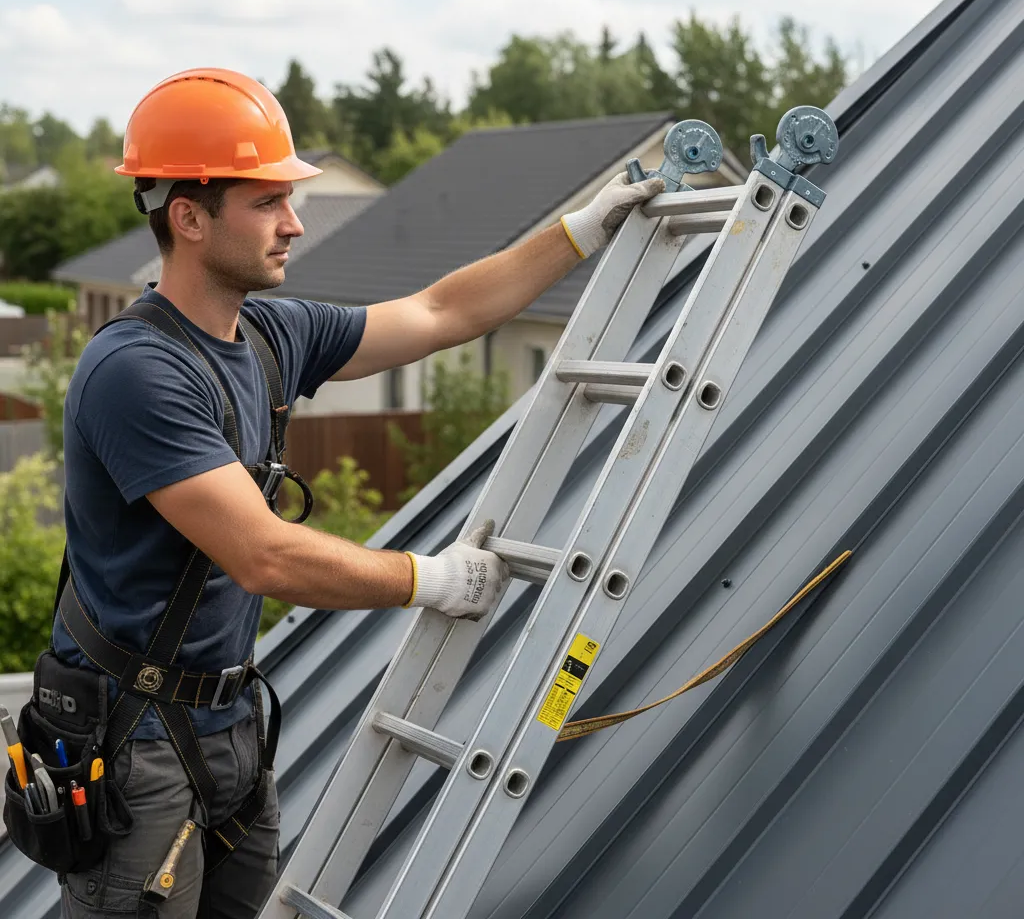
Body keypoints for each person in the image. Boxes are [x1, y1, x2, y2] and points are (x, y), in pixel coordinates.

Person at [50, 67, 664, 919]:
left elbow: (441, 312)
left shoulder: (269, 333)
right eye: (266, 202)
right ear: (188, 217)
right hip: (138, 747)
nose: (294, 223)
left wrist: (582, 231)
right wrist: (432, 580)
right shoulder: (136, 373)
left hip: (229, 726)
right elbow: (263, 554)